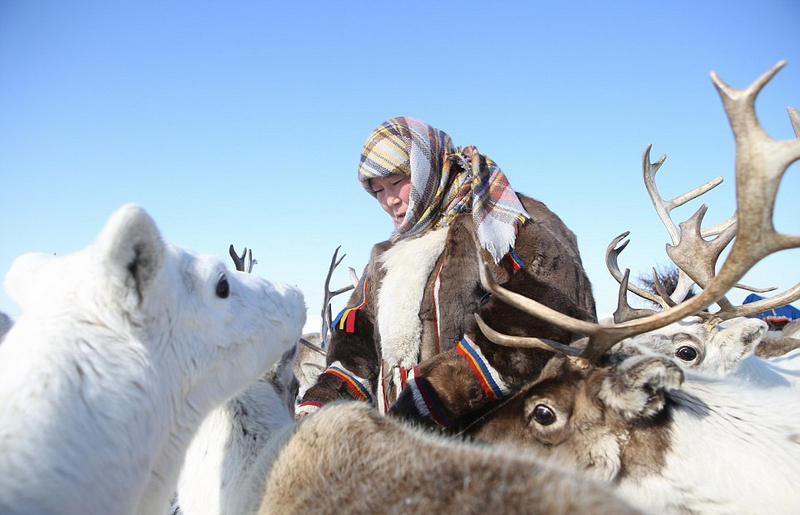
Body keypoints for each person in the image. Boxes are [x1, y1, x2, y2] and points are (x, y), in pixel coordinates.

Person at [297, 117, 596, 429]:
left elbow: (550, 314)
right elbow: (358, 338)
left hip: (502, 445)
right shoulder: (388, 256)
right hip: (408, 447)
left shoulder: (502, 221)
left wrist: (434, 396)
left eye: (397, 182)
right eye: (378, 190)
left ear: (427, 168)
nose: (389, 200)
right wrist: (324, 401)